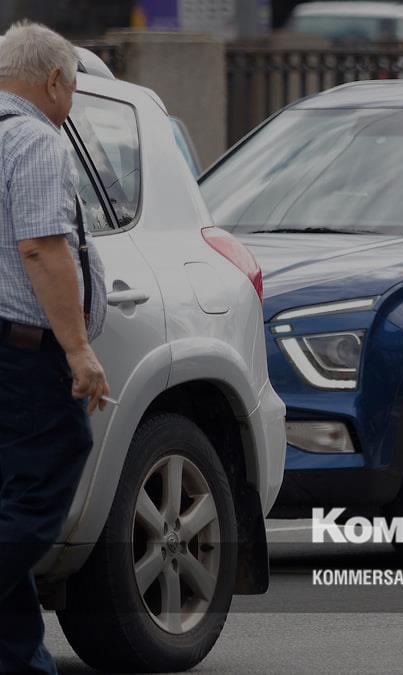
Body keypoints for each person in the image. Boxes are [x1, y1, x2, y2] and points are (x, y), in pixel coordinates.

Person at [0, 20, 109, 673]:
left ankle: (19, 660)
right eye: (72, 89)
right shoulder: (36, 139)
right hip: (23, 350)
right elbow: (41, 246)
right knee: (41, 487)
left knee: (8, 500)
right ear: (54, 81)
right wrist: (77, 350)